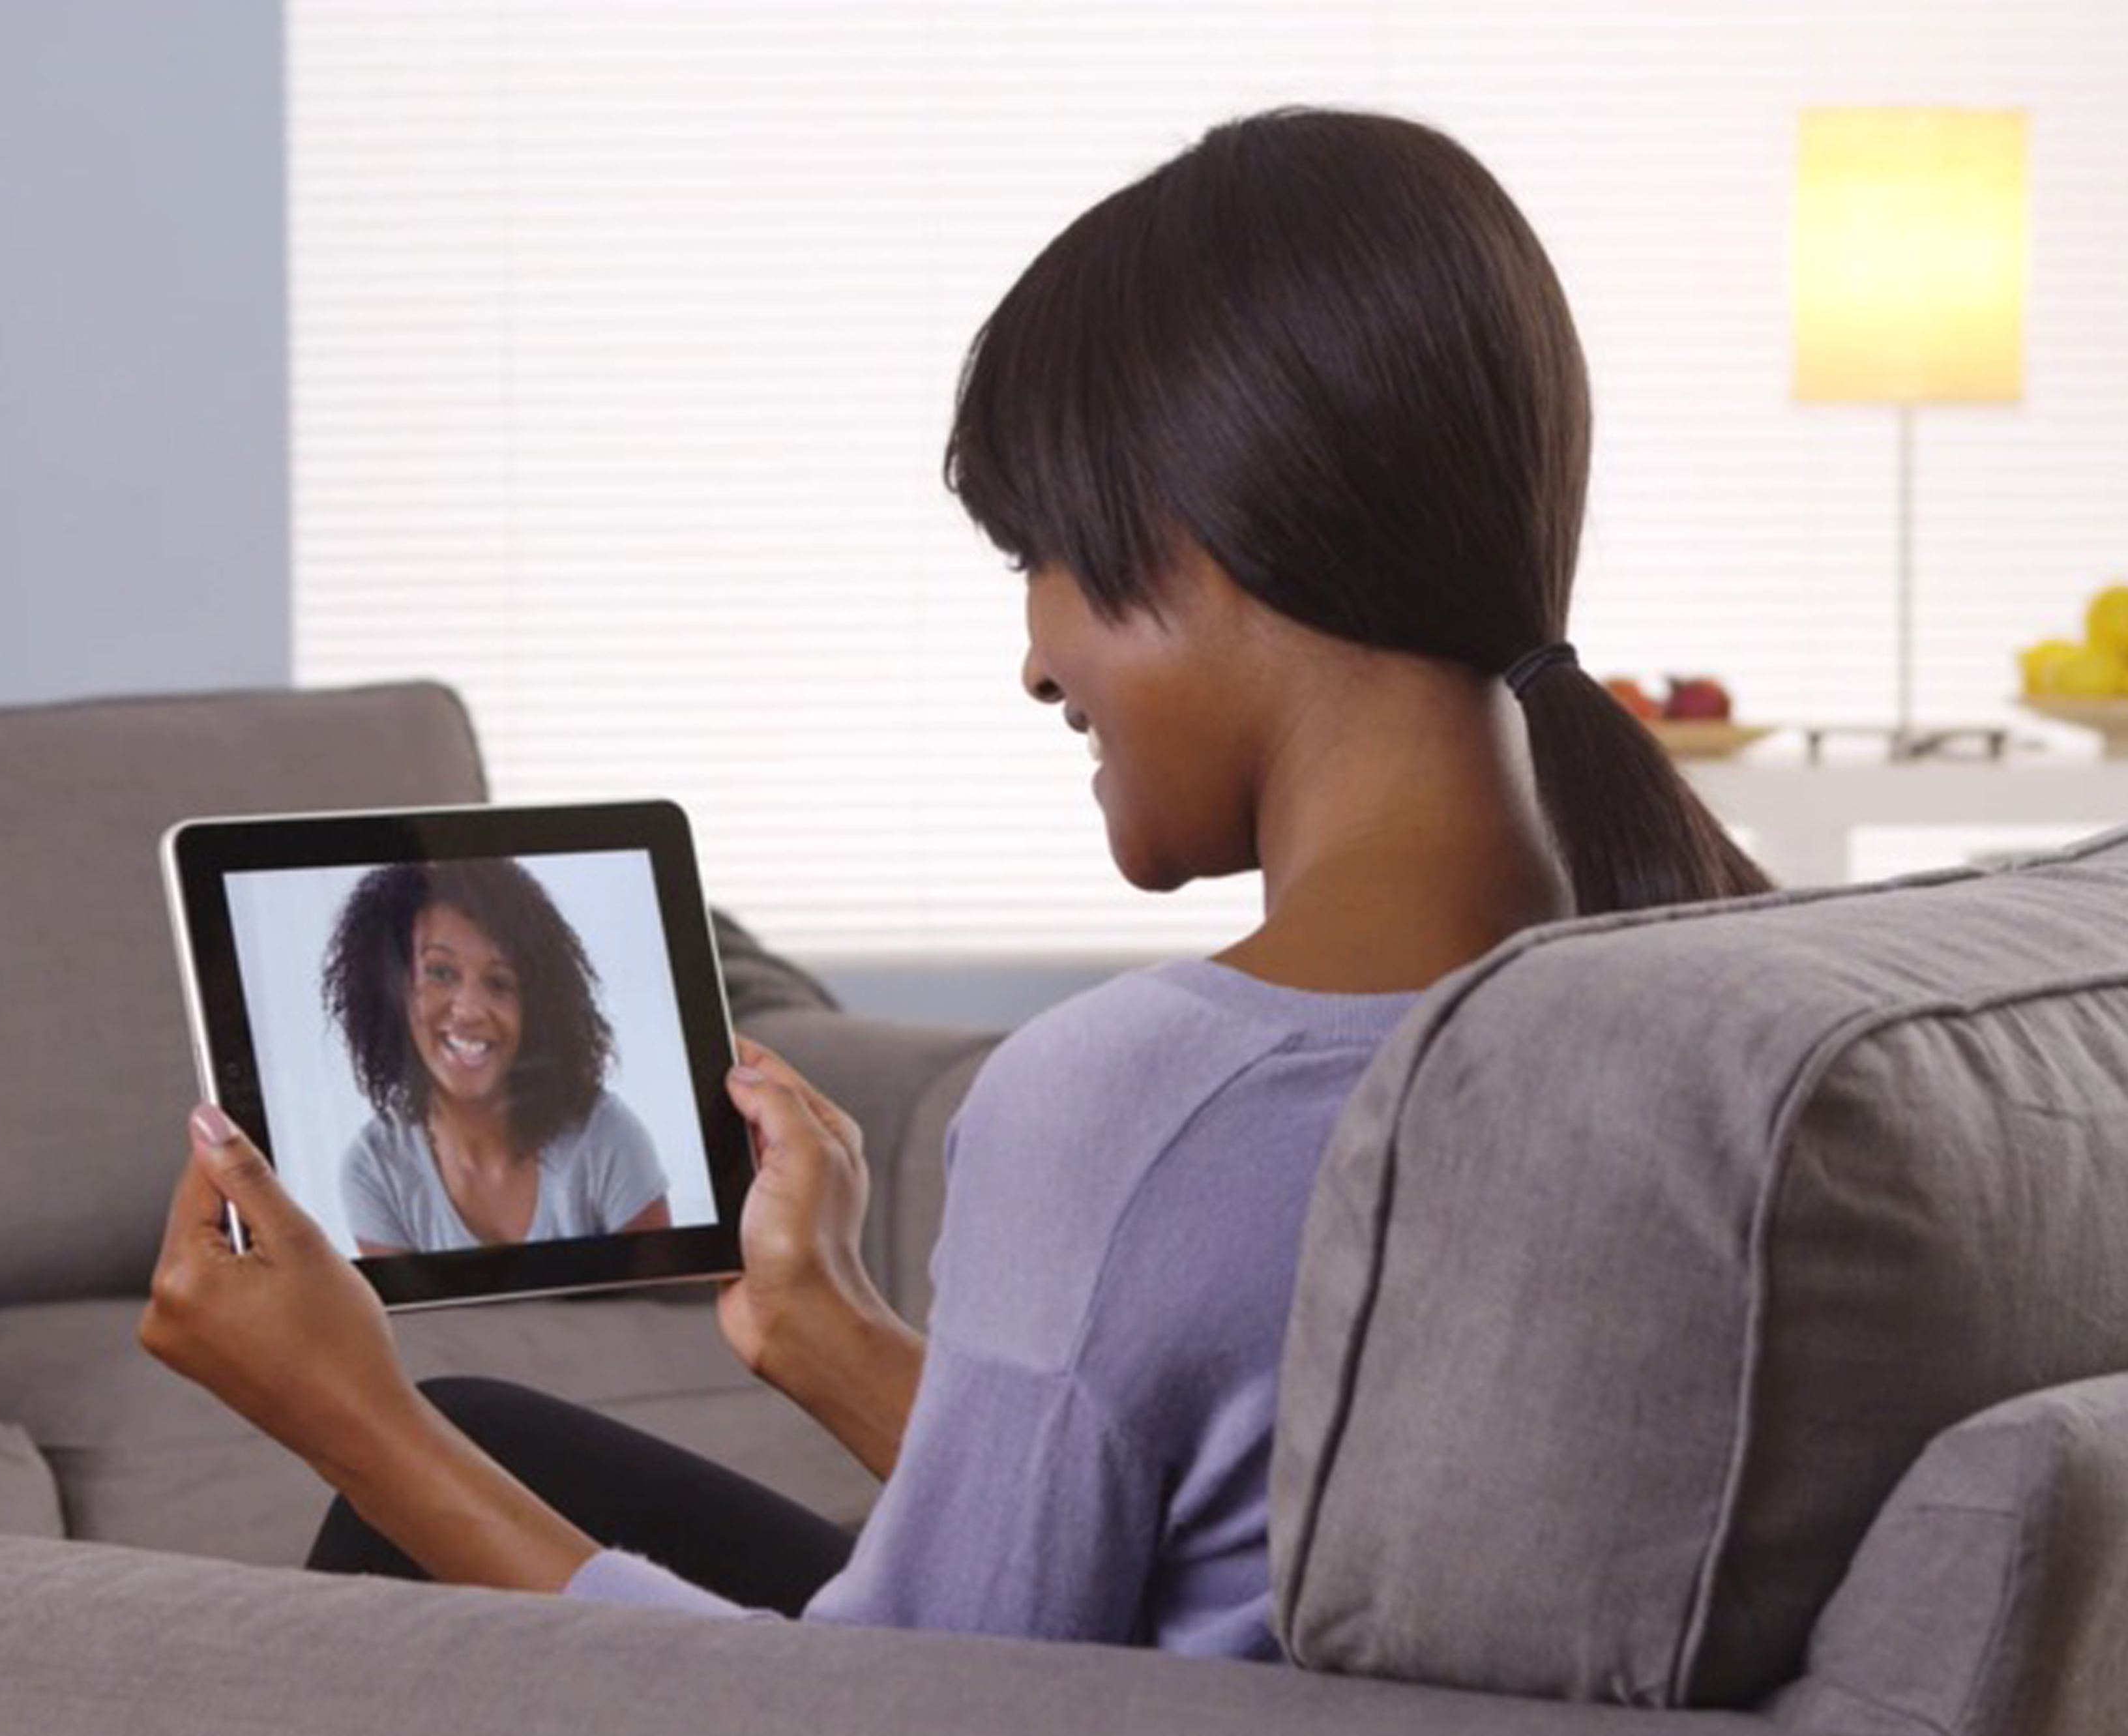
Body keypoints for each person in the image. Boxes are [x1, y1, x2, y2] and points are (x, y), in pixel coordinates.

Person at [140, 108, 1768, 1654]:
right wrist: (830, 1337)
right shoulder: (1713, 1003)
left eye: (1036, 556)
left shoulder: (1143, 1103)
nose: (1034, 659)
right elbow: (1257, 1551)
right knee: (498, 1437)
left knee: (415, 1485)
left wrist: (346, 1413)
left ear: (1189, 531)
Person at [321, 857, 670, 1254]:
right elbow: (406, 1321)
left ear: (536, 1008)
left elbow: (660, 1310)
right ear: (391, 991)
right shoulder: (375, 1170)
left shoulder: (608, 1139)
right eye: (440, 973)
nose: (470, 1010)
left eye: (499, 982)